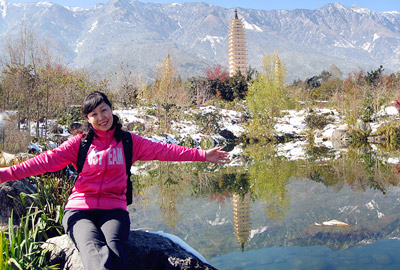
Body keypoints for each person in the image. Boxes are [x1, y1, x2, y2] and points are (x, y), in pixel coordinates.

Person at [0, 91, 230, 270]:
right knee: (92, 249)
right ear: (88, 119)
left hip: (114, 210)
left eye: (104, 110)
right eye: (94, 115)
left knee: (115, 252)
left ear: (111, 109)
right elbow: (41, 162)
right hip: (79, 210)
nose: (101, 118)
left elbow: (165, 150)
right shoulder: (79, 144)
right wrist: (4, 174)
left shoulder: (130, 142)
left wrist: (202, 155)